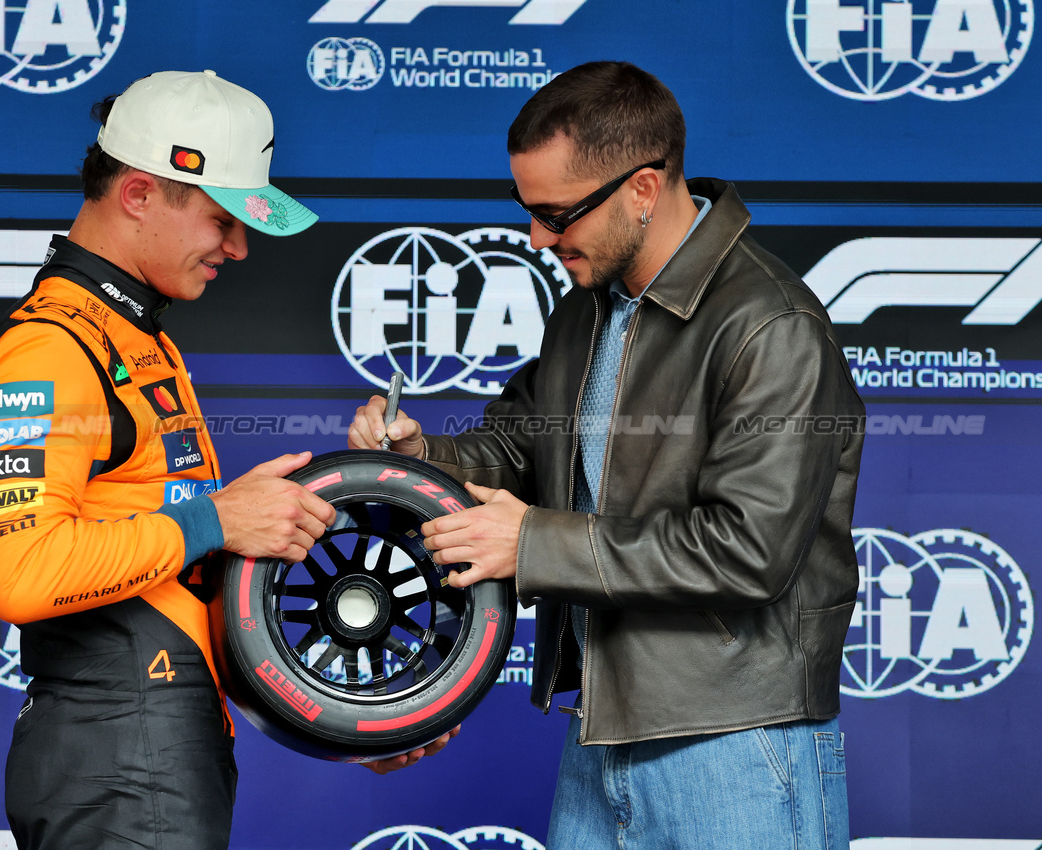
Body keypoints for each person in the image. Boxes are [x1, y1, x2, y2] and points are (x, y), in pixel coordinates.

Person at [350, 61, 864, 849]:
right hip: (599, 729)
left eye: (556, 215)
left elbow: (749, 552)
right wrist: (420, 454)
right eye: (526, 210)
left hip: (737, 744)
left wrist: (531, 543)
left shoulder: (770, 325)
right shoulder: (587, 309)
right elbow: (521, 450)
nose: (537, 238)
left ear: (643, 188)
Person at [0, 70, 449, 850]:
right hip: (119, 756)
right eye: (222, 219)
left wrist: (344, 721)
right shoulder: (50, 349)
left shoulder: (135, 337)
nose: (238, 246)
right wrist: (215, 519)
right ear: (138, 194)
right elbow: (21, 574)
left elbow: (178, 595)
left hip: (151, 747)